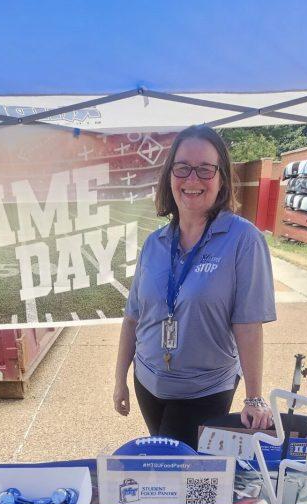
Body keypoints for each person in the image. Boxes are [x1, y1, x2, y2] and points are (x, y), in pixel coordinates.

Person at [113, 124, 276, 449]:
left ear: (222, 179)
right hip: (148, 382)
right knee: (167, 462)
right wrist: (120, 380)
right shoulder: (154, 243)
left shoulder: (243, 240)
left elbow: (248, 325)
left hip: (204, 391)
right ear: (169, 175)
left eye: (204, 170)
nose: (191, 180)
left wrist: (254, 397)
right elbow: (133, 318)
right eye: (183, 168)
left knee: (175, 473)